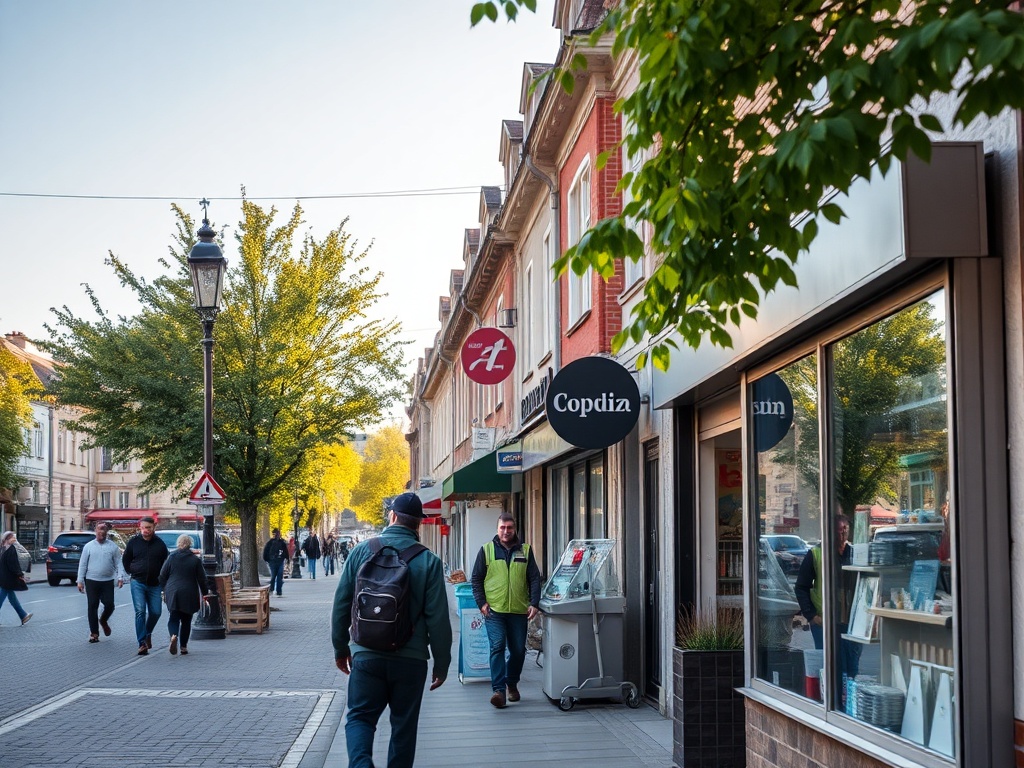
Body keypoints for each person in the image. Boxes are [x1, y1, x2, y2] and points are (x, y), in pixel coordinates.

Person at [332, 492, 452, 768]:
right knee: (403, 728)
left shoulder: (362, 551)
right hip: (411, 660)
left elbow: (341, 605)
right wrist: (442, 664)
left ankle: (361, 765)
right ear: (418, 524)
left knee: (360, 718)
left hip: (366, 655)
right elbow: (438, 620)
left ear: (393, 516)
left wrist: (341, 649)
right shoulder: (429, 561)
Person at [470, 512, 541, 708]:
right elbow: (476, 579)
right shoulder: (486, 550)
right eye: (502, 527)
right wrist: (481, 603)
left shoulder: (525, 550)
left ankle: (512, 682)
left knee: (518, 651)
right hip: (494, 610)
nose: (506, 531)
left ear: (515, 528)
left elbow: (534, 578)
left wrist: (534, 603)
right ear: (497, 529)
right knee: (497, 646)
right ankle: (499, 691)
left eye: (509, 527)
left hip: (519, 610)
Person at [795, 513, 861, 682]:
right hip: (824, 622)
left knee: (852, 668)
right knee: (833, 667)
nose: (843, 535)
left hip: (851, 623)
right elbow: (802, 587)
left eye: (845, 530)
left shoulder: (854, 553)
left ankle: (846, 702)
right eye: (839, 531)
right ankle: (833, 703)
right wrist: (811, 616)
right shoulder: (816, 554)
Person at [122, 516, 169, 656]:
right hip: (138, 581)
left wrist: (163, 580)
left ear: (154, 527)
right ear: (139, 527)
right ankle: (142, 643)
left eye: (148, 528)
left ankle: (147, 632)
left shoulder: (160, 544)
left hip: (155, 584)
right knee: (140, 611)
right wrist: (132, 571)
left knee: (156, 612)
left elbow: (165, 563)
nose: (145, 531)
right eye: (143, 528)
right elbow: (126, 559)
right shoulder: (134, 542)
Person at [159, 533, 209, 656]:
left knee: (173, 618)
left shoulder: (171, 557)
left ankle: (173, 636)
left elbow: (162, 575)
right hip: (189, 592)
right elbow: (202, 579)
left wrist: (164, 589)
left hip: (173, 591)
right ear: (190, 544)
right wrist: (205, 593)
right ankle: (183, 647)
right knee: (186, 620)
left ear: (179, 544)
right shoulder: (195, 560)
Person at [76, 524, 125, 643]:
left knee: (109, 605)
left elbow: (119, 562)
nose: (101, 533)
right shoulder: (89, 547)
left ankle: (103, 620)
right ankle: (94, 633)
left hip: (107, 581)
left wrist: (120, 577)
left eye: (104, 530)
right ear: (95, 531)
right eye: (99, 530)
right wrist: (80, 581)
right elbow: (82, 564)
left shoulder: (112, 547)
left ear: (107, 532)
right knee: (92, 605)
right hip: (91, 580)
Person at [0, 531, 32, 626]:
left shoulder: (5, 549)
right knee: (3, 598)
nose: (14, 540)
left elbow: (12, 564)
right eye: (12, 538)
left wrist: (19, 574)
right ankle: (23, 616)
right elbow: (13, 565)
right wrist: (20, 574)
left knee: (11, 598)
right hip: (7, 578)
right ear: (7, 539)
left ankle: (23, 616)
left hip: (6, 578)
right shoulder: (8, 549)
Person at [263, 528, 289, 597]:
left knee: (279, 576)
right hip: (273, 561)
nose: (277, 536)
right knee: (274, 576)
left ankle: (278, 590)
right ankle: (273, 589)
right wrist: (267, 559)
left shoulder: (281, 542)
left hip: (279, 561)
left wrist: (286, 558)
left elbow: (285, 551)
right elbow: (266, 551)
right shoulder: (270, 543)